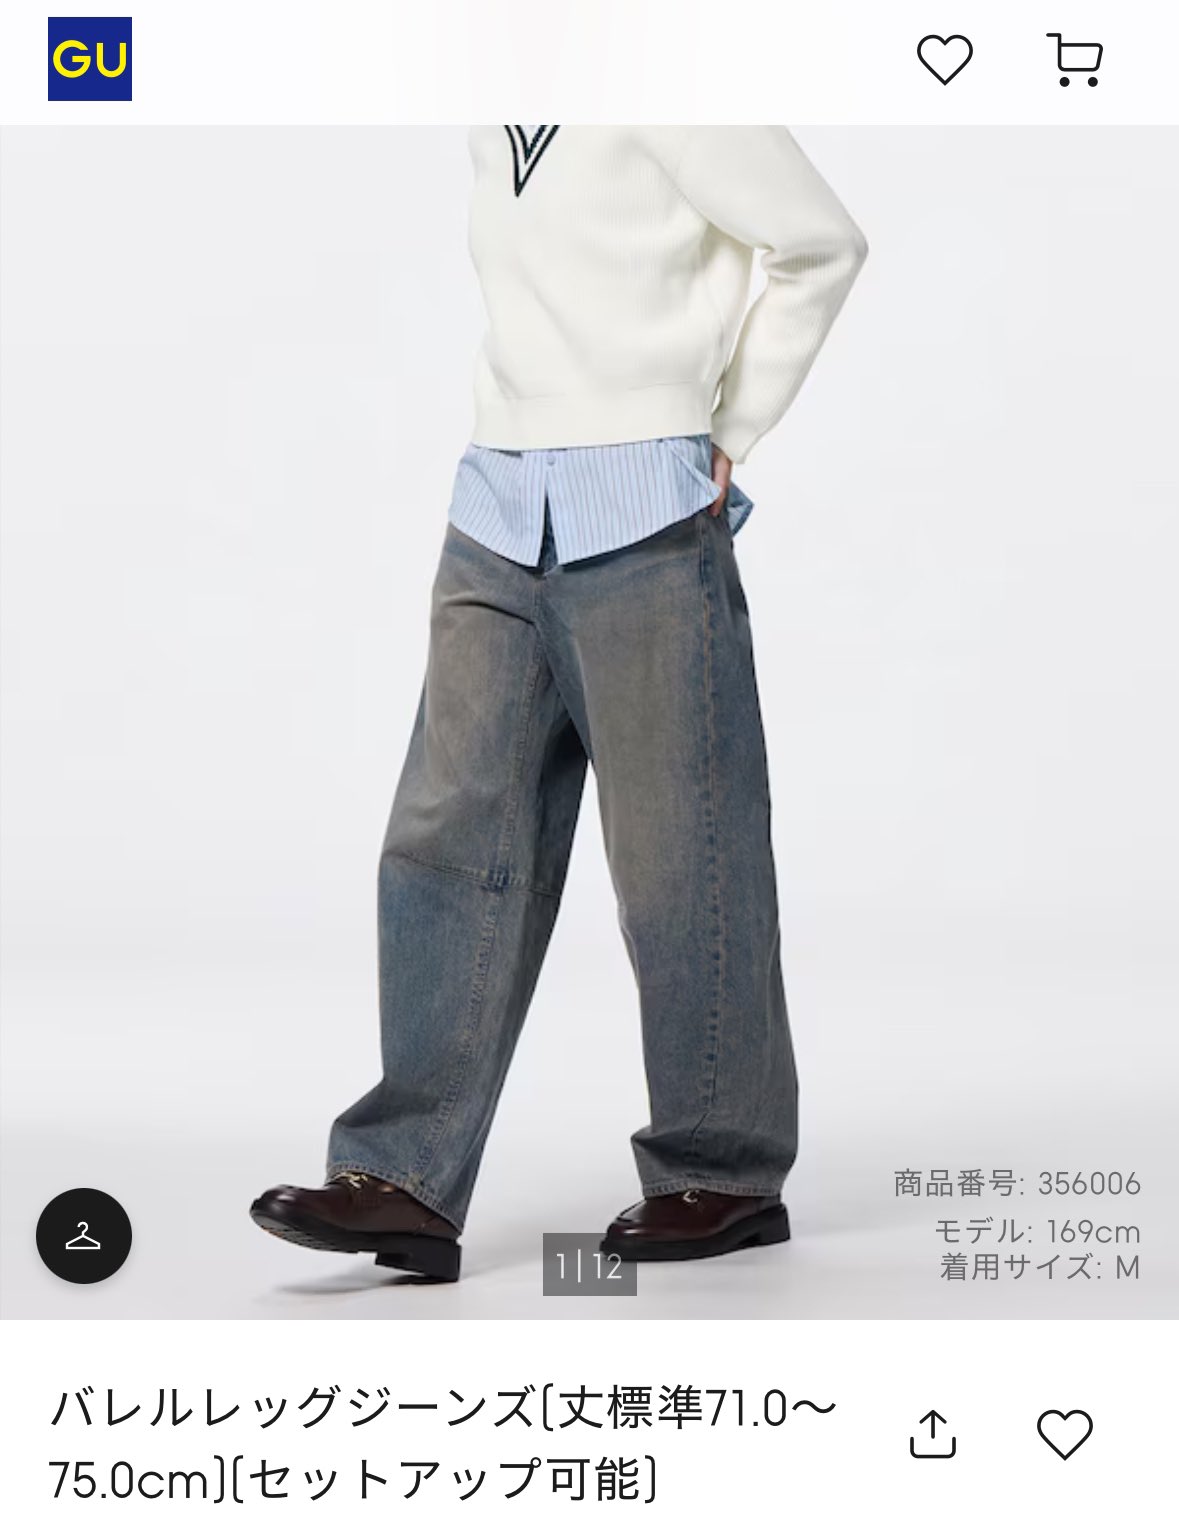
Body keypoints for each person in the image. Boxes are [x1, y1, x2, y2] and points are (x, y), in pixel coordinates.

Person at [251, 125, 868, 1283]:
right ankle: (404, 1177)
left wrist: (730, 427)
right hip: (496, 502)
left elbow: (821, 243)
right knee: (443, 840)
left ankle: (723, 1168)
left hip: (644, 508)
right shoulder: (491, 100)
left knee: (682, 850)